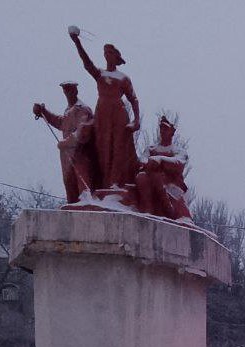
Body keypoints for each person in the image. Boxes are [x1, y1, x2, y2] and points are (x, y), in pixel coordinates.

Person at [69, 27, 140, 189]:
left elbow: (133, 99)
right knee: (101, 147)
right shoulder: (100, 74)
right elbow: (87, 64)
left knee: (117, 148)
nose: (107, 56)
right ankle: (102, 182)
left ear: (116, 58)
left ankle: (114, 183)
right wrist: (77, 43)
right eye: (105, 54)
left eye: (110, 54)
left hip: (118, 115)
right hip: (102, 114)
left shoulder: (123, 78)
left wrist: (136, 120)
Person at [32, 82, 98, 202]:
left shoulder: (82, 109)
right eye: (66, 91)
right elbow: (61, 123)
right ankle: (72, 205)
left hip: (80, 153)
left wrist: (66, 142)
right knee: (69, 183)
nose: (68, 94)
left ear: (76, 92)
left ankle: (87, 204)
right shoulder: (68, 111)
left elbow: (82, 131)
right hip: (67, 155)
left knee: (82, 181)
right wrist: (44, 112)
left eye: (70, 91)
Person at [136, 116, 191, 220]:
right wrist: (149, 163)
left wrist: (160, 160)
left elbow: (178, 163)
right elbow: (142, 160)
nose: (162, 131)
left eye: (166, 129)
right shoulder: (151, 149)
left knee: (158, 178)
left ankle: (169, 208)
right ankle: (147, 208)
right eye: (161, 128)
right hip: (150, 180)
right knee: (141, 177)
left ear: (172, 132)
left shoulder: (178, 151)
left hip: (171, 185)